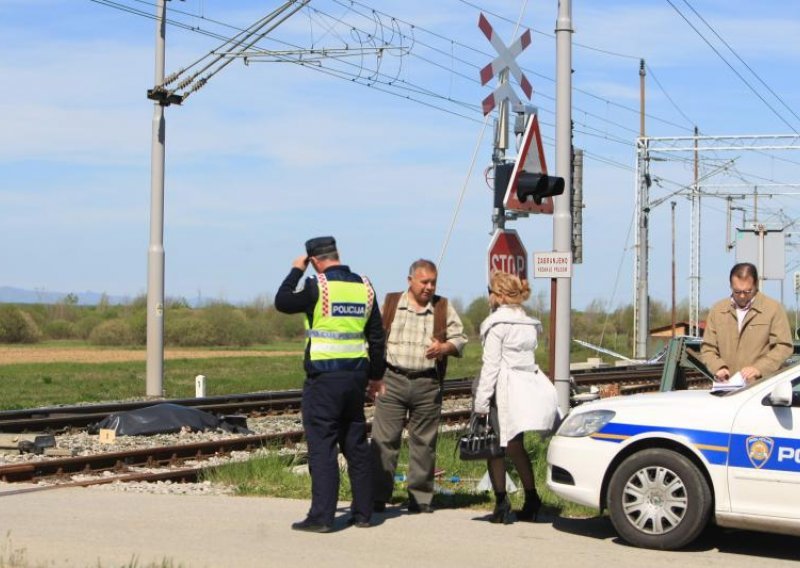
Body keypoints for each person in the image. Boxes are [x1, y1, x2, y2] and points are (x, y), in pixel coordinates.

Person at [275, 236, 386, 533]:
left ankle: (322, 516)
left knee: (322, 446)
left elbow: (282, 300)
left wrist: (296, 271)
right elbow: (376, 336)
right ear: (337, 254)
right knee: (355, 443)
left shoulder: (317, 286)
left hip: (324, 379)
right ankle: (363, 513)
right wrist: (376, 377)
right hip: (356, 377)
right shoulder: (365, 286)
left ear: (314, 260)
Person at [370, 259, 468, 513]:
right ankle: (377, 496)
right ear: (410, 280)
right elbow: (374, 338)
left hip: (427, 382)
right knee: (383, 440)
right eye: (424, 281)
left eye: (433, 282)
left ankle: (420, 499)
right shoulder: (391, 303)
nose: (429, 287)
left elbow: (460, 339)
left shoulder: (443, 307)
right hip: (392, 380)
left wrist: (445, 347)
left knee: (424, 443)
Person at [472, 271, 559, 524]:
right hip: (523, 390)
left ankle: (502, 504)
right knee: (516, 446)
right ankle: (532, 498)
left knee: (494, 447)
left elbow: (491, 366)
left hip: (503, 392)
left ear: (498, 295)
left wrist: (481, 402)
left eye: (490, 291)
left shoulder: (496, 325)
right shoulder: (529, 324)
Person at [701, 262, 793, 385]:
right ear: (730, 286)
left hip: (761, 390)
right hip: (726, 389)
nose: (742, 296)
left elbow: (784, 347)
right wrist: (718, 367)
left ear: (756, 285)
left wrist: (759, 368)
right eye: (737, 291)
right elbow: (708, 348)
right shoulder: (717, 310)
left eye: (747, 291)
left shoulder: (773, 309)